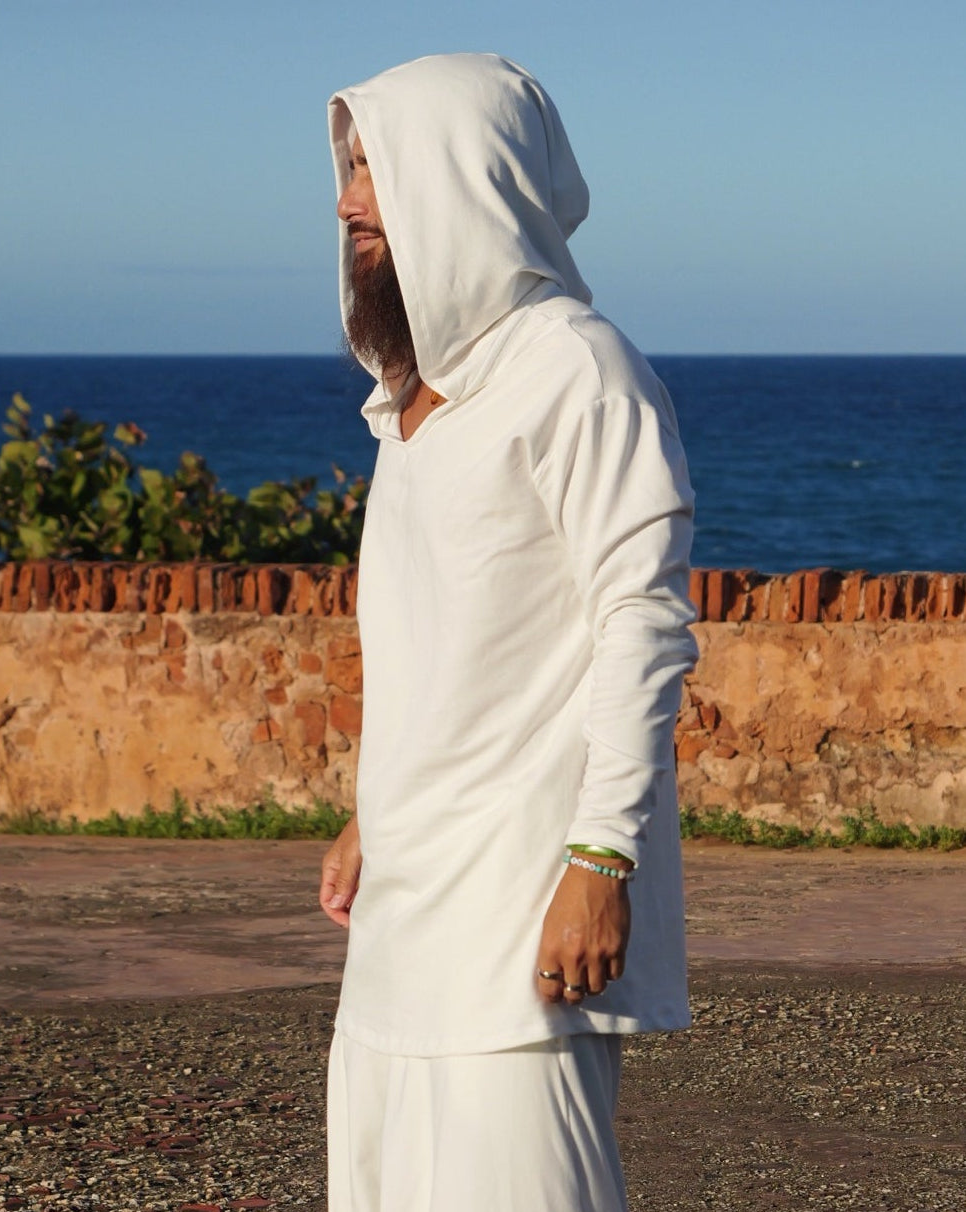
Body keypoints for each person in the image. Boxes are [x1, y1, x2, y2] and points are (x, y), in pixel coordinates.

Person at [319, 52, 698, 1211]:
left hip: (519, 907)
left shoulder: (576, 370)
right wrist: (372, 809)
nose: (348, 202)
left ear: (463, 178)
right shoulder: (412, 402)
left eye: (375, 167)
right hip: (404, 910)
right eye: (348, 168)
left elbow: (641, 622)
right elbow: (448, 638)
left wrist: (601, 861)